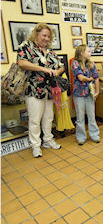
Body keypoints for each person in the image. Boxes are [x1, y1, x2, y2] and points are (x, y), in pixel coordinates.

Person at [17, 23, 65, 158]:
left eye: (49, 36)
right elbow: (21, 62)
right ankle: (35, 145)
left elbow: (61, 66)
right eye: (44, 35)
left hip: (49, 90)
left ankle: (48, 140)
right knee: (34, 119)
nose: (46, 39)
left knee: (49, 117)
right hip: (33, 90)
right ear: (36, 34)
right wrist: (43, 69)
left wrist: (57, 71)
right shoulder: (26, 46)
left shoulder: (50, 51)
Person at [72, 44, 100, 145]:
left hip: (89, 94)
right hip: (79, 94)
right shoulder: (75, 63)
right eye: (88, 51)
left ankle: (95, 135)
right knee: (80, 117)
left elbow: (96, 77)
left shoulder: (92, 64)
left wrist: (97, 91)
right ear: (81, 53)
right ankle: (81, 137)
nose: (90, 53)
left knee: (92, 115)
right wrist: (89, 79)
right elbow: (80, 77)